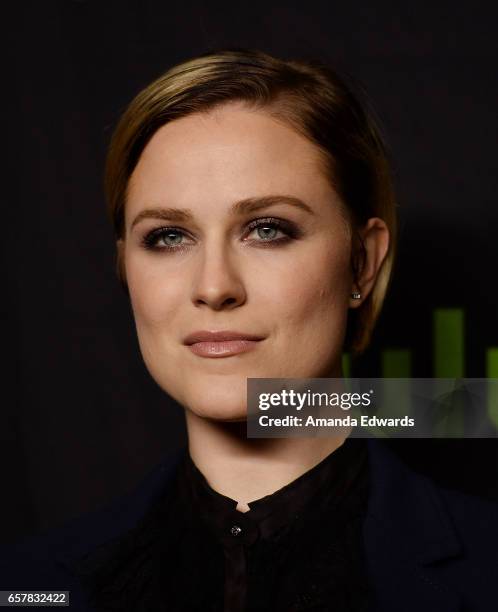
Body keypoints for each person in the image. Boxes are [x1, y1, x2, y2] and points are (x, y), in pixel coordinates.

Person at [1, 48, 497, 612]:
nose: (214, 287)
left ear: (362, 262)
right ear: (125, 267)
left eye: (267, 229)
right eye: (167, 237)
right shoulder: (29, 584)